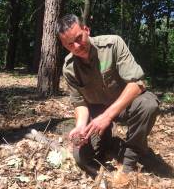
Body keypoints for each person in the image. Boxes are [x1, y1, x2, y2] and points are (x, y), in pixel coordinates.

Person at [56, 14, 159, 177]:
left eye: (78, 38)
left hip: (124, 105)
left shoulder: (113, 44)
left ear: (86, 30)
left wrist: (107, 116)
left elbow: (137, 84)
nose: (76, 46)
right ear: (64, 45)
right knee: (81, 157)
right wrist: (81, 125)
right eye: (70, 44)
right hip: (96, 112)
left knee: (148, 104)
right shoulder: (69, 68)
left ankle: (129, 162)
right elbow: (79, 103)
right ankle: (107, 140)